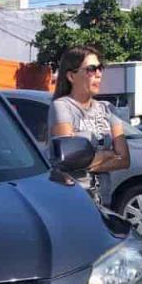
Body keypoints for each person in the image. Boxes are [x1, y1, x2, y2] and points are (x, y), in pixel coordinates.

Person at [48, 46, 130, 204]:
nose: (98, 74)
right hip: (74, 199)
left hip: (104, 199)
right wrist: (108, 154)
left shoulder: (107, 108)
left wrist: (86, 161)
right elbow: (68, 160)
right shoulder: (62, 106)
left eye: (100, 68)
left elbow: (124, 160)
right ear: (72, 76)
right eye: (91, 69)